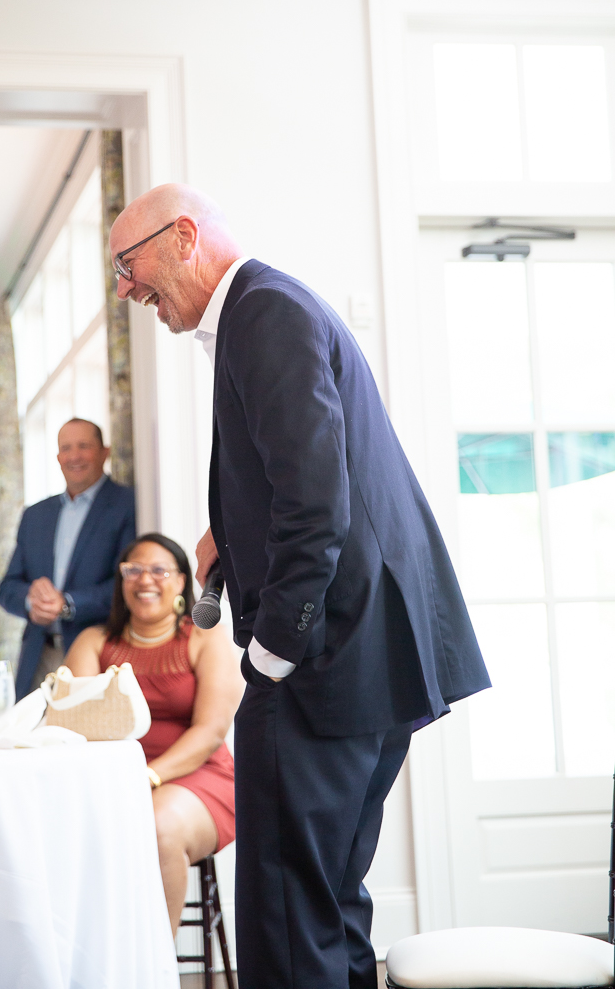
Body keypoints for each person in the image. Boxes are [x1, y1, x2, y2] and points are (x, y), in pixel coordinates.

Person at [109, 184, 491, 989]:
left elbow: (318, 506)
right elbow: (303, 482)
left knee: (286, 912)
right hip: (372, 654)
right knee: (324, 900)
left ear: (182, 238)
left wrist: (274, 652)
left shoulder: (263, 312)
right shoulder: (265, 309)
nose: (125, 288)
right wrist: (231, 542)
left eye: (127, 263)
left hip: (325, 657)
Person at [65, 532, 243, 934]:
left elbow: (211, 731)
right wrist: (119, 781)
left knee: (158, 824)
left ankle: (154, 968)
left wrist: (147, 777)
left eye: (160, 570)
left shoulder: (204, 636)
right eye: (133, 570)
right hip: (111, 782)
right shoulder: (93, 641)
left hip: (199, 778)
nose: (145, 580)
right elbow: (75, 725)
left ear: (182, 580)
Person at [0, 418, 136, 699]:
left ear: (104, 452)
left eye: (84, 446)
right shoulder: (35, 515)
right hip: (39, 656)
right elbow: (7, 588)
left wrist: (68, 604)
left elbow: (129, 583)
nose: (74, 456)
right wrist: (32, 600)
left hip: (99, 655)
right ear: (58, 457)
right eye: (66, 448)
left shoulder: (128, 505)